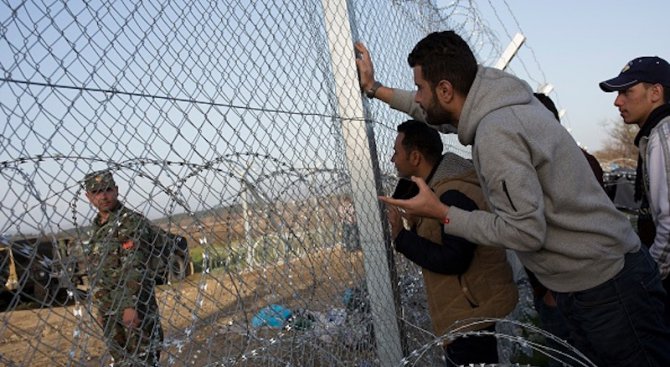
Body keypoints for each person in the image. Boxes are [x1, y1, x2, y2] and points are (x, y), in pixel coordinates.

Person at [356, 32, 670, 366]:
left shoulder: (495, 134)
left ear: (446, 90)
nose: (418, 96)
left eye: (420, 87)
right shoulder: (502, 101)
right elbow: (434, 112)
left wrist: (442, 212)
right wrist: (375, 89)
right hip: (601, 279)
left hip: (605, 290)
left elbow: (525, 232)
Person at [388, 120, 517, 366]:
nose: (393, 159)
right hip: (470, 309)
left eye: (396, 152)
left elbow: (454, 258)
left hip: (469, 315)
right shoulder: (440, 188)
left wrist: (401, 238)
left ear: (415, 157)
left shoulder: (451, 194)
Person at [600, 56, 670, 320]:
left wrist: (650, 279)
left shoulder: (664, 136)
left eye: (627, 91)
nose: (618, 101)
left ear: (655, 92)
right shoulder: (657, 134)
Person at [83, 170, 164, 366]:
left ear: (116, 190)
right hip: (109, 309)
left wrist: (131, 306)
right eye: (97, 192)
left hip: (134, 308)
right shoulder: (95, 230)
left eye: (108, 190)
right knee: (122, 361)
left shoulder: (129, 222)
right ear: (89, 197)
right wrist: (102, 312)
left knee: (143, 360)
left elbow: (135, 265)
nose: (103, 196)